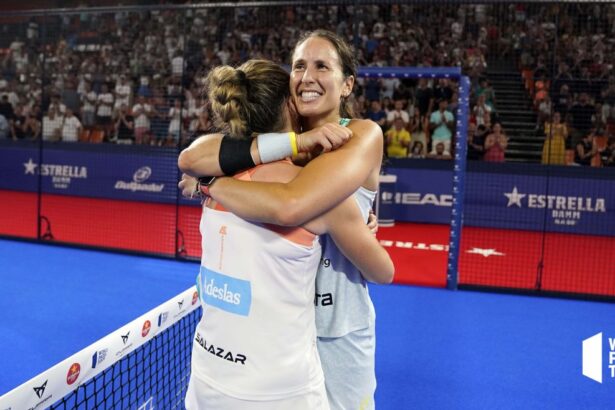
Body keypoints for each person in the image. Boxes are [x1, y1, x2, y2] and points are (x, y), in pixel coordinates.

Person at [178, 30, 387, 410]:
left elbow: (292, 203)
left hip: (337, 326)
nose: (307, 76)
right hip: (281, 329)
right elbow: (193, 156)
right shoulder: (279, 141)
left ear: (347, 84)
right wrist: (294, 142)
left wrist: (211, 183)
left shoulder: (361, 133)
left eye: (322, 66)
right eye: (299, 66)